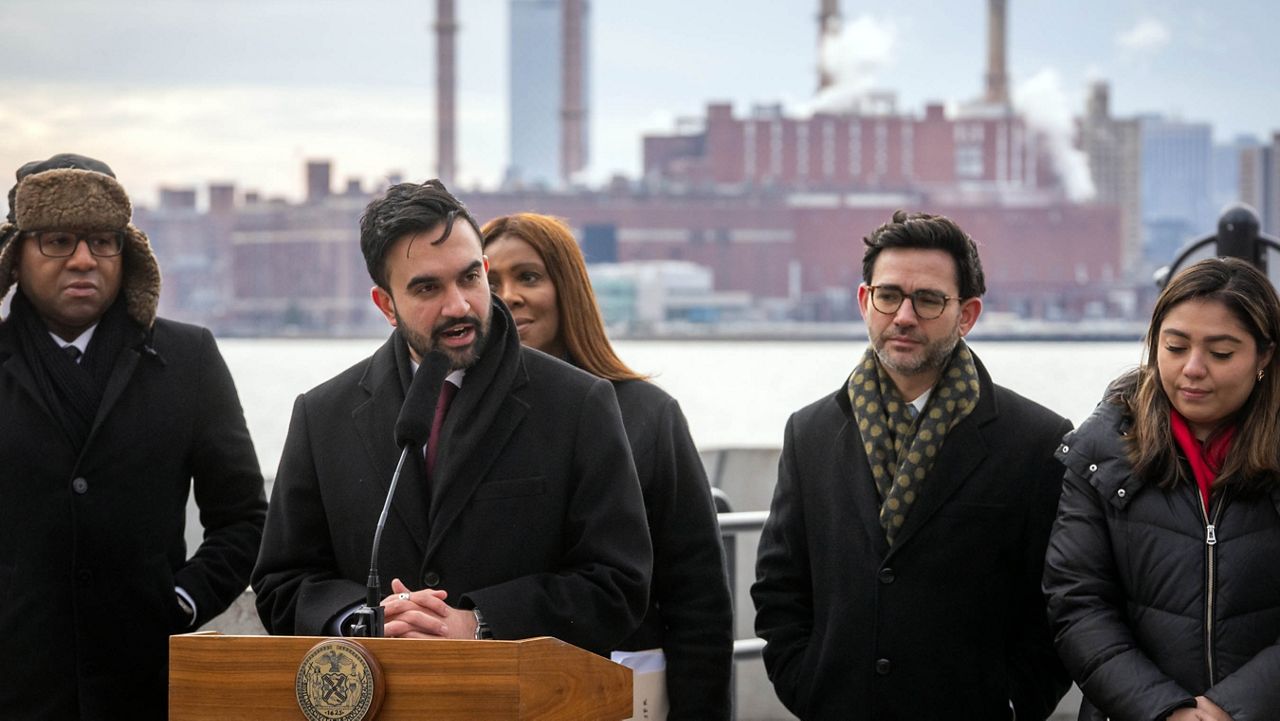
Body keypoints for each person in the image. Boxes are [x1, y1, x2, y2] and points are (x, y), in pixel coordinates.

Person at [252, 181, 652, 655]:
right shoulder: (322, 416)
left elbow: (619, 584)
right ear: (386, 306)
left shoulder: (579, 404)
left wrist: (479, 622)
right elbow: (281, 583)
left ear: (484, 271)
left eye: (468, 279)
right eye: (427, 288)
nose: (458, 305)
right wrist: (364, 620)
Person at [751, 209, 1072, 720]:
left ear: (966, 315)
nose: (903, 315)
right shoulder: (810, 433)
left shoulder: (1037, 441)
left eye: (927, 300)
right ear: (864, 301)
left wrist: (1011, 703)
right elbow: (780, 586)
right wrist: (808, 685)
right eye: (888, 295)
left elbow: (1057, 604)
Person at [0, 153, 267, 720]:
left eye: (103, 241)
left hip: (147, 686)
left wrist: (182, 600)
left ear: (127, 253)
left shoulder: (187, 358)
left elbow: (245, 519)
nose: (83, 260)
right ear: (15, 254)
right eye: (57, 239)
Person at [482, 212, 734, 719]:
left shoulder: (649, 415)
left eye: (529, 277)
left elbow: (698, 600)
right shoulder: (465, 424)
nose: (509, 296)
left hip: (623, 693)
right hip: (500, 691)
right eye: (490, 283)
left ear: (568, 288)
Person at [1044, 257, 1280, 721]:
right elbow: (1077, 603)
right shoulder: (1100, 451)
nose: (1192, 369)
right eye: (1175, 347)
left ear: (1264, 357)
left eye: (1221, 353)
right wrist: (1165, 710)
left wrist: (1231, 709)